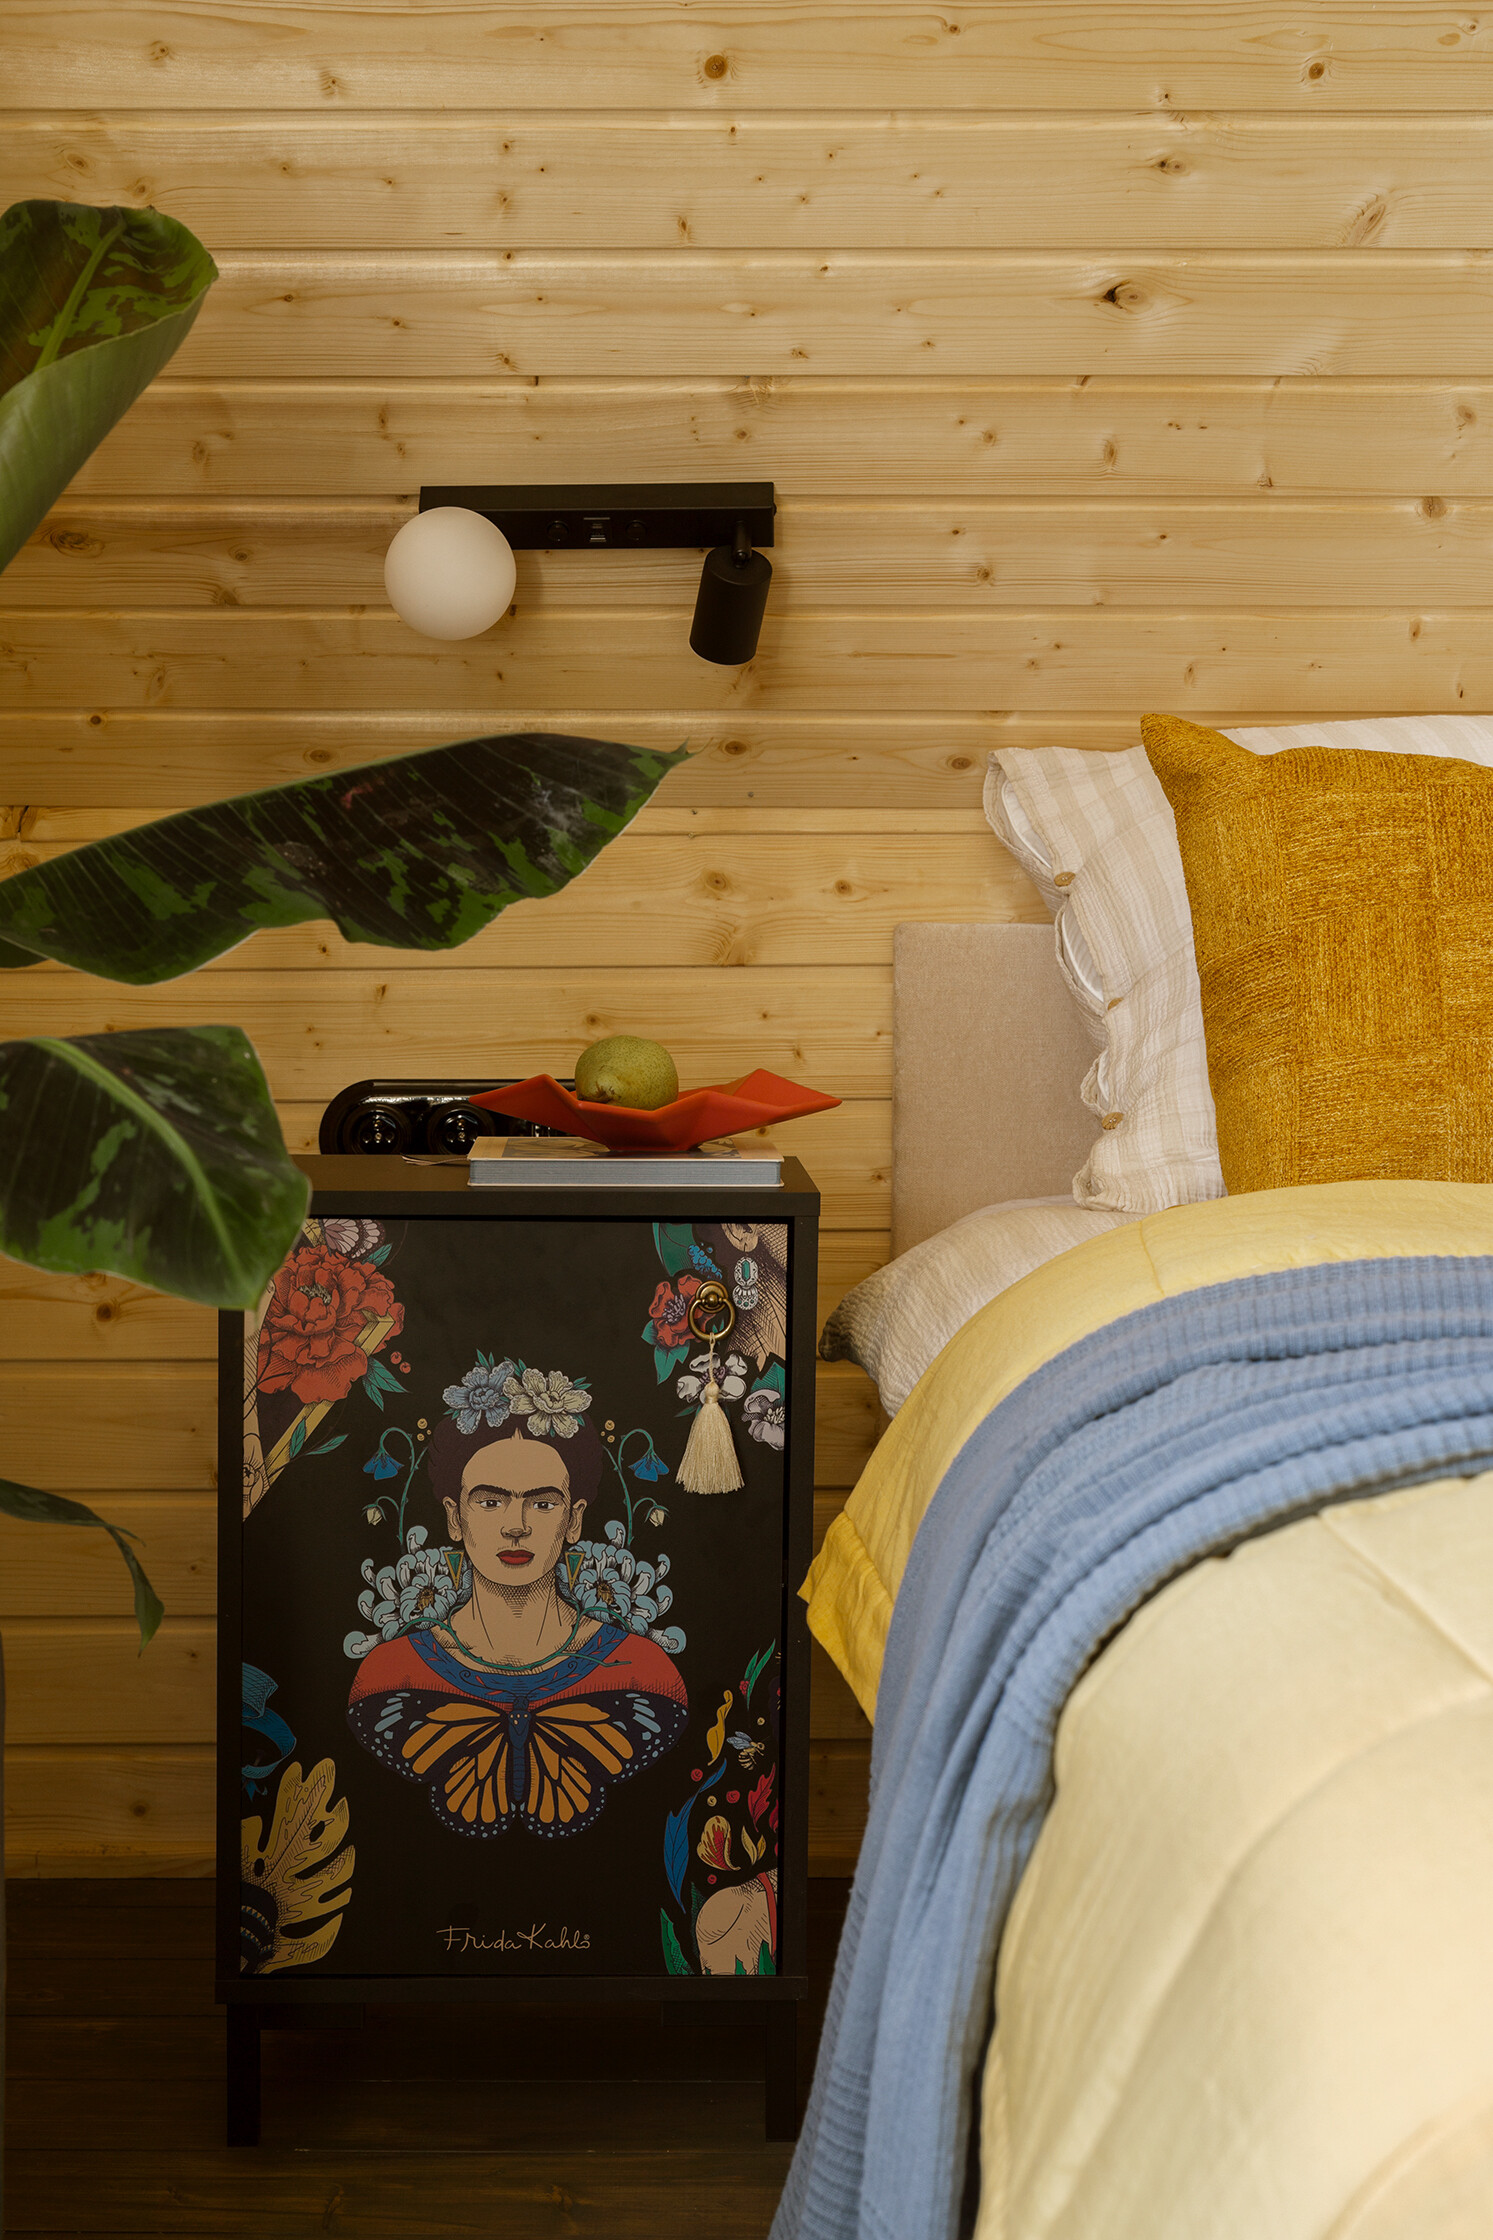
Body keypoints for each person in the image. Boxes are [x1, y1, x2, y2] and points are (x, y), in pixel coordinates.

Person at [348, 1410, 686, 1838]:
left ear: (574, 1520)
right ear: (454, 1518)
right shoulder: (391, 1675)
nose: (516, 1527)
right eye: (490, 1502)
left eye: (543, 1504)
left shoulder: (641, 1672)